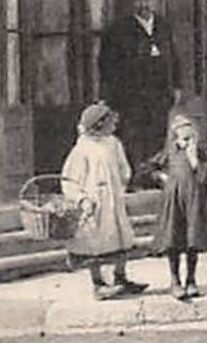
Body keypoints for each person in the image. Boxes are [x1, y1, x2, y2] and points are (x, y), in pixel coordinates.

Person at [97, 0, 181, 181]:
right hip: (131, 95)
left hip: (159, 94)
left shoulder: (163, 26)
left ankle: (154, 174)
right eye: (140, 0)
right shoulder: (118, 29)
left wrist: (176, 85)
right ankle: (135, 176)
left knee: (157, 133)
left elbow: (175, 58)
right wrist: (114, 93)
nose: (145, 4)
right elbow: (107, 64)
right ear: (133, 3)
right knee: (133, 136)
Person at [61, 104, 145, 300]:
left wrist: (120, 185)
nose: (114, 125)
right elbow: (70, 180)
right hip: (94, 202)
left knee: (121, 238)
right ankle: (98, 283)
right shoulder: (82, 149)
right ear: (98, 125)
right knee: (94, 243)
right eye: (110, 122)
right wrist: (82, 199)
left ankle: (120, 277)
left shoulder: (113, 143)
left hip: (114, 198)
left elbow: (124, 168)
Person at [148, 113, 207, 300]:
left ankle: (191, 279)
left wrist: (194, 157)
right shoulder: (170, 152)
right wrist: (164, 178)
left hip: (195, 200)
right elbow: (152, 169)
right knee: (173, 239)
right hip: (175, 200)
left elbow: (205, 176)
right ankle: (175, 280)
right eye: (184, 137)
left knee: (192, 240)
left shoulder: (201, 153)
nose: (188, 141)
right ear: (176, 137)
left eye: (191, 136)